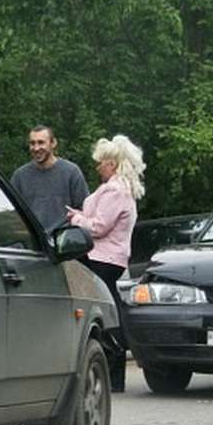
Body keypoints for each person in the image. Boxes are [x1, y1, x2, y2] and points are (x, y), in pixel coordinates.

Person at [65, 134, 145, 392]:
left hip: (103, 258)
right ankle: (113, 370)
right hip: (111, 258)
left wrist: (76, 221)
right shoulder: (121, 189)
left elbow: (98, 227)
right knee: (109, 309)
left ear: (112, 163)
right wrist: (80, 215)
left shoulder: (114, 189)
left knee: (106, 312)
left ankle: (113, 366)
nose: (97, 166)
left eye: (101, 162)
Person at [10, 125, 89, 232]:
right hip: (32, 243)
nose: (36, 148)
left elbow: (84, 209)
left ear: (53, 143)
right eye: (32, 143)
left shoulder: (71, 172)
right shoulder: (19, 176)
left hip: (64, 242)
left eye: (41, 142)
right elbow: (12, 214)